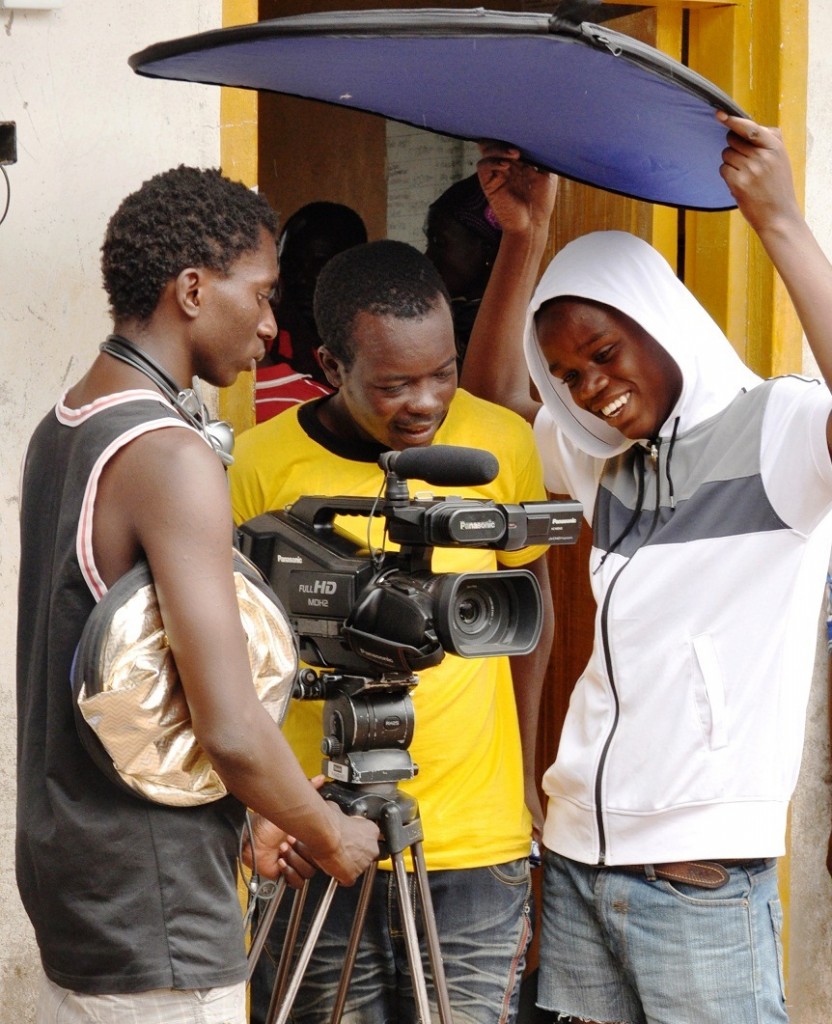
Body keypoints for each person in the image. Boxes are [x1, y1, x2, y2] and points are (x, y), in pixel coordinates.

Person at [459, 112, 832, 1024]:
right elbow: (488, 409)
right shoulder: (604, 458)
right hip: (581, 864)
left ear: (661, 323)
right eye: (569, 375)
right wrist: (523, 240)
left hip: (696, 882)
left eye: (603, 354)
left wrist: (780, 221)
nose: (592, 388)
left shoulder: (778, 430)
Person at [15, 165, 380, 1024]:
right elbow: (228, 723)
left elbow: (122, 666)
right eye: (259, 294)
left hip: (80, 870)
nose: (268, 323)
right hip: (158, 903)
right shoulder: (169, 455)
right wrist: (330, 837)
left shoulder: (66, 423)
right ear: (190, 289)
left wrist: (253, 823)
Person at [228, 238, 554, 1024]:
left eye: (442, 371)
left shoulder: (498, 442)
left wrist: (531, 772)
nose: (428, 401)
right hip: (314, 835)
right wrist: (254, 806)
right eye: (396, 383)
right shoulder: (257, 465)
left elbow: (523, 614)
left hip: (474, 840)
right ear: (332, 366)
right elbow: (229, 657)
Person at [255, 201, 367, 422]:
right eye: (289, 263)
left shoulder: (374, 343)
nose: (301, 278)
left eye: (318, 264)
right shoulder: (264, 340)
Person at [424, 172, 503, 366]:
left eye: (438, 243)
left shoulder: (516, 334)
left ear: (487, 251)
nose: (428, 257)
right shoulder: (449, 322)